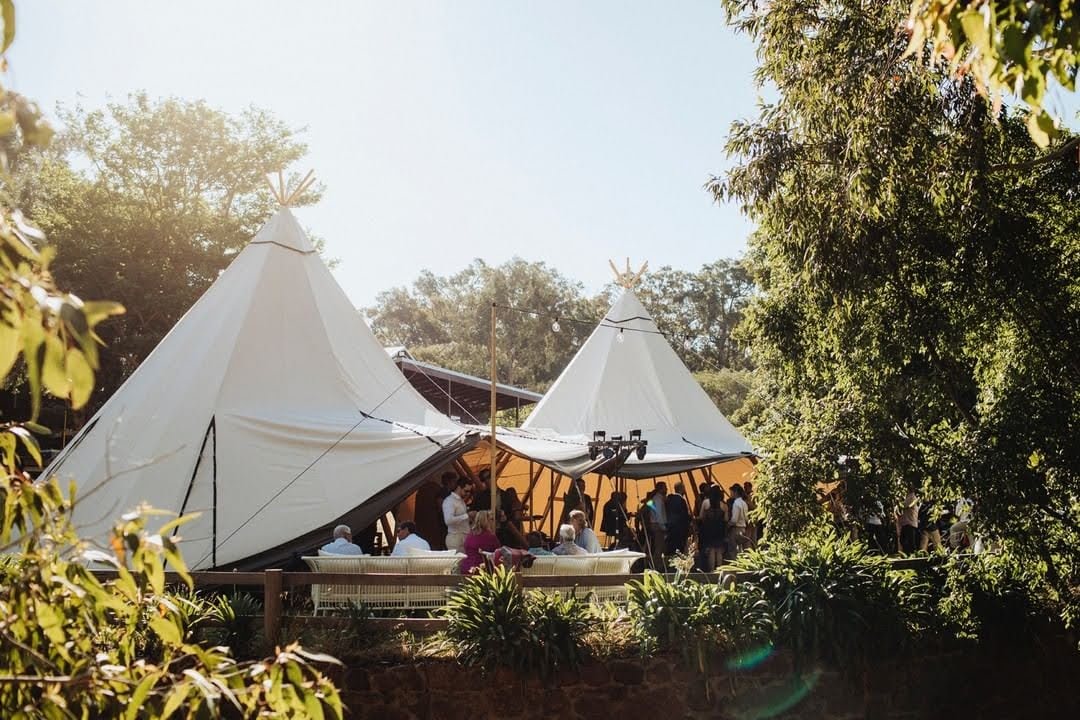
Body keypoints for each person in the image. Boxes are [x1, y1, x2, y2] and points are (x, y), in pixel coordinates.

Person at [698, 485, 728, 572]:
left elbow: (701, 516)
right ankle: (719, 571)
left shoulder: (706, 502)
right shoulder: (724, 505)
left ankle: (711, 571)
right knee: (719, 550)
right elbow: (726, 519)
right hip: (720, 529)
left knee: (711, 550)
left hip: (709, 529)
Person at [461, 510, 500, 574]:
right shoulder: (490, 537)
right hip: (480, 570)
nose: (493, 521)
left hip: (466, 567)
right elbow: (497, 553)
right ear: (487, 521)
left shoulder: (470, 535)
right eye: (491, 519)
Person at [442, 477, 472, 553]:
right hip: (455, 538)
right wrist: (467, 516)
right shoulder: (449, 501)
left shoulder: (460, 500)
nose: (468, 493)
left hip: (463, 538)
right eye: (466, 491)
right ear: (459, 487)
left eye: (470, 491)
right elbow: (448, 520)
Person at [665, 482, 691, 555]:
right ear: (681, 489)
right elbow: (684, 516)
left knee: (672, 549)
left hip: (670, 528)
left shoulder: (669, 500)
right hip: (680, 529)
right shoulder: (681, 500)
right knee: (679, 548)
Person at [728, 484, 752, 560]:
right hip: (743, 528)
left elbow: (734, 520)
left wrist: (728, 524)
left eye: (731, 492)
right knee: (743, 549)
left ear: (735, 492)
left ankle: (736, 563)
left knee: (733, 550)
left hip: (736, 529)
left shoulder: (736, 503)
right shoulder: (744, 503)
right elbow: (746, 518)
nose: (730, 494)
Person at [897, 489, 919, 555]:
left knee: (910, 541)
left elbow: (905, 506)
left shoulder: (912, 496)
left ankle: (913, 555)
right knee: (903, 539)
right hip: (906, 522)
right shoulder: (907, 496)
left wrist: (898, 501)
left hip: (910, 522)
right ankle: (907, 554)